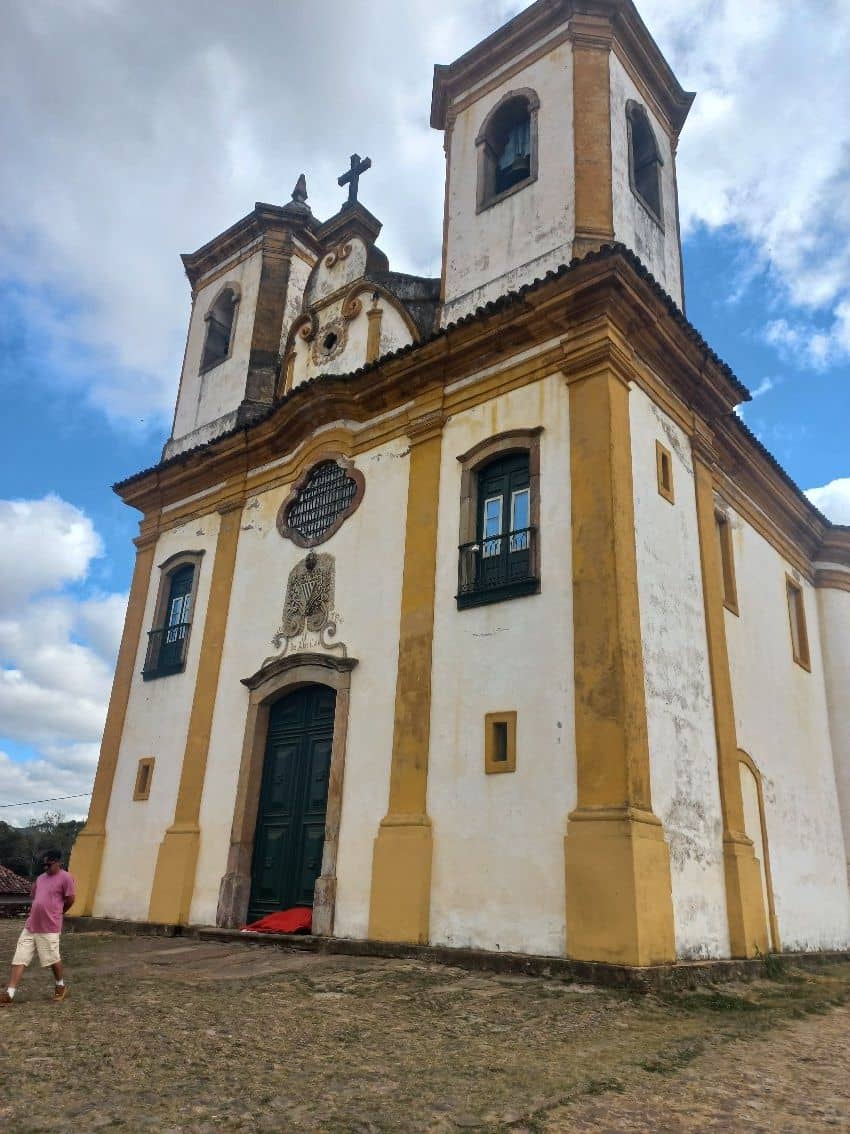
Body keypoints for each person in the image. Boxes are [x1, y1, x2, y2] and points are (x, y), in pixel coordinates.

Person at [1, 848, 76, 1004]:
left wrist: (59, 912)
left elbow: (70, 899)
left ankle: (60, 986)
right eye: (44, 865)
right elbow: (37, 898)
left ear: (58, 862)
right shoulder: (40, 879)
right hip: (31, 925)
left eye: (49, 865)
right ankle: (9, 993)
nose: (46, 868)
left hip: (49, 926)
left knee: (52, 959)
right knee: (20, 957)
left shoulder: (66, 878)